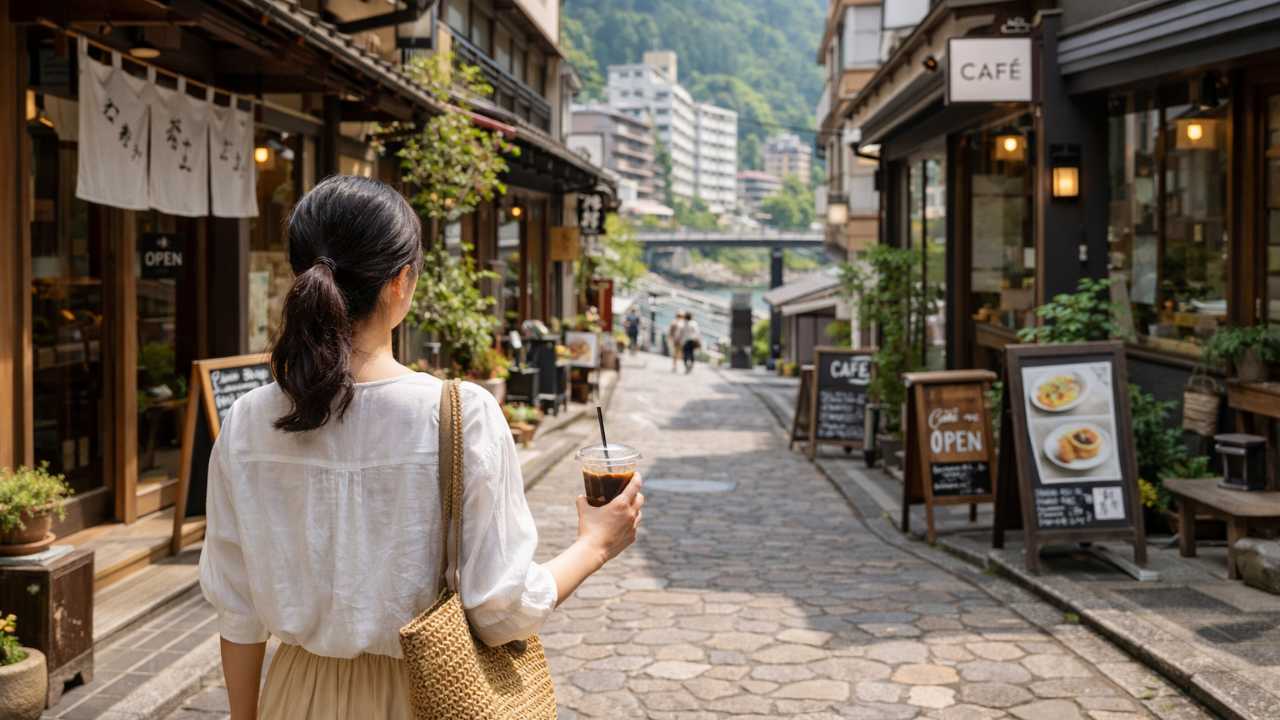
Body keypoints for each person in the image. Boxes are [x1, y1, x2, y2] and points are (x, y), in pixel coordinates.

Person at [199, 176, 644, 720]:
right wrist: (596, 544)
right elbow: (501, 610)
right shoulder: (461, 415)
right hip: (426, 694)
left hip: (294, 695)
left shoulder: (247, 420)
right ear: (401, 281)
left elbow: (238, 615)